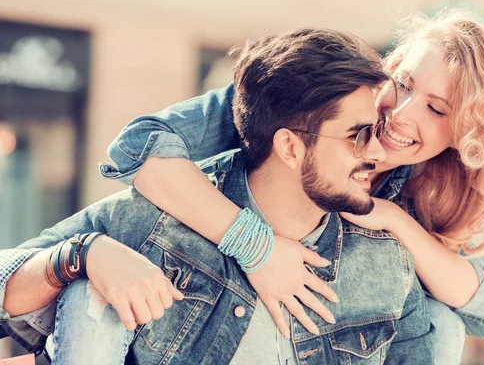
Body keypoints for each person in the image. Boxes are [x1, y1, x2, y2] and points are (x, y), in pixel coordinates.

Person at [97, 7, 484, 362]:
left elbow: (480, 307)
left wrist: (393, 218)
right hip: (214, 284)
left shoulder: (425, 186)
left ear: (465, 135)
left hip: (329, 333)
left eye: (436, 110)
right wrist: (254, 244)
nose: (400, 115)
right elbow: (136, 149)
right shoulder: (305, 99)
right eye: (403, 83)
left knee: (443, 323)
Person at [0, 28, 435, 364]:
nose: (378, 153)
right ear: (288, 146)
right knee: (85, 295)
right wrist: (82, 254)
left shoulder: (385, 262)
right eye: (358, 135)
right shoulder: (159, 221)